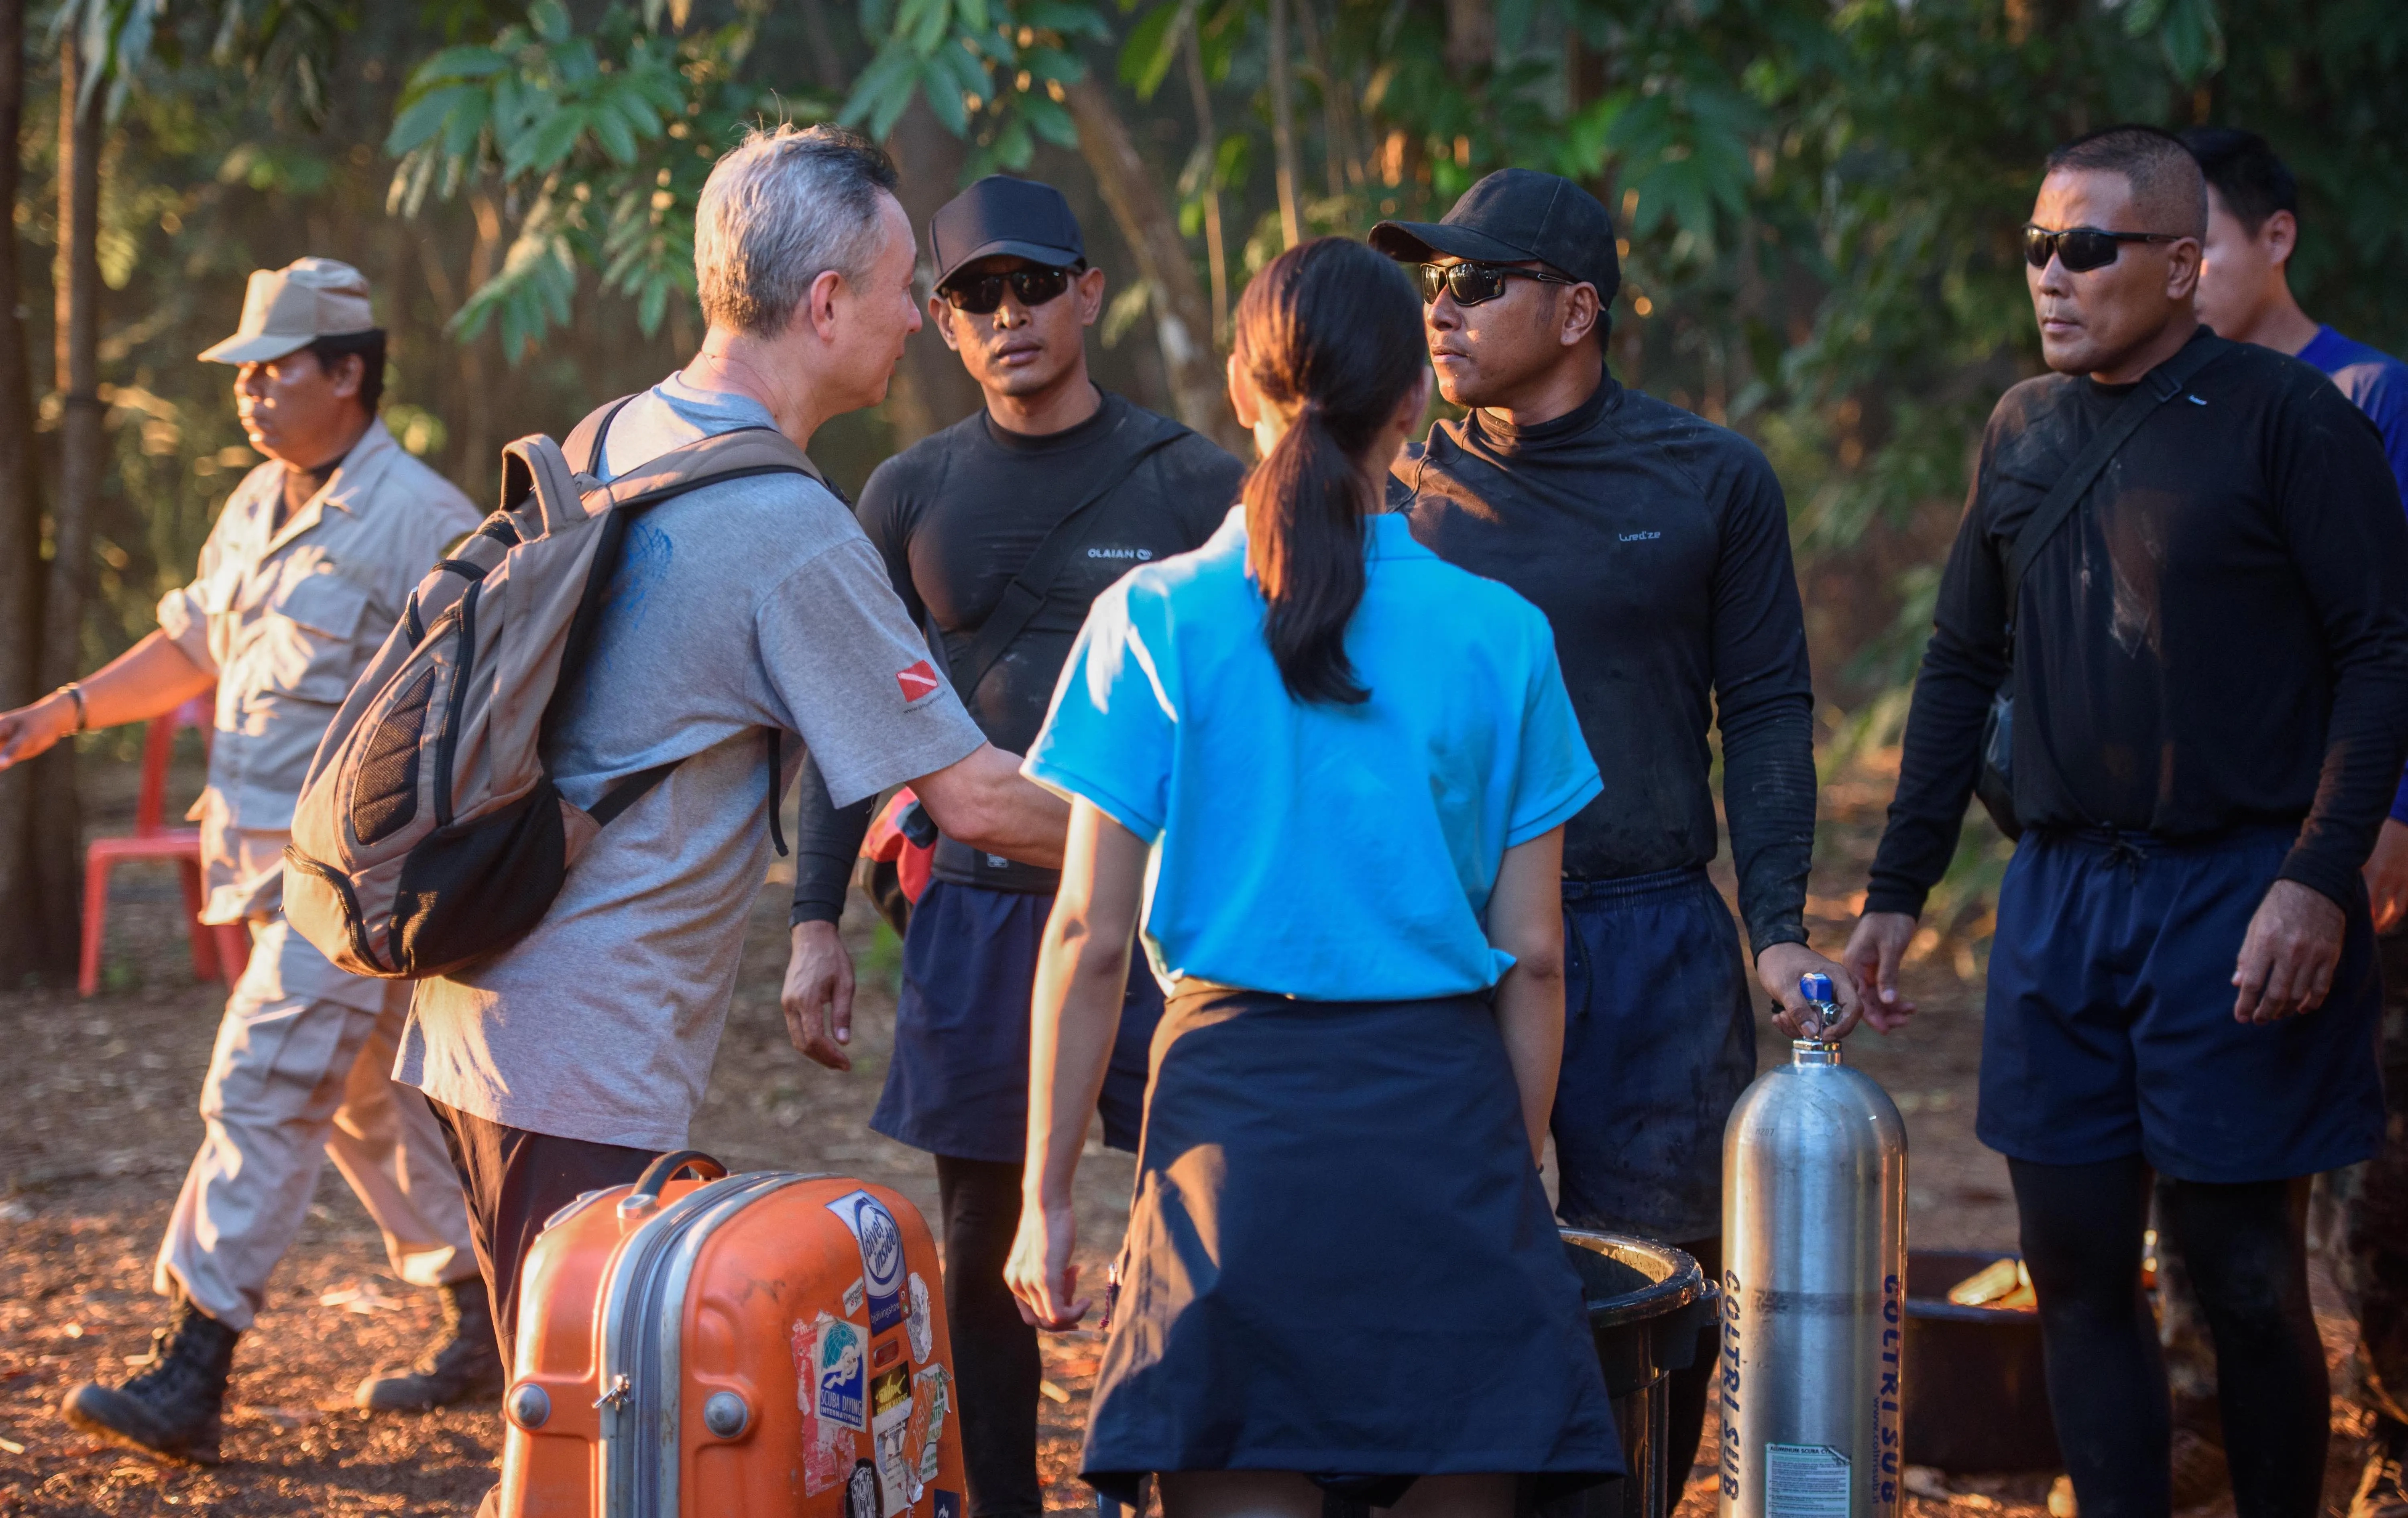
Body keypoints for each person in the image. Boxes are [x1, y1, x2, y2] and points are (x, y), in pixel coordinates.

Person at [387, 128, 1069, 1516]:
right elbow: (979, 799)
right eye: (897, 289)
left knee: (577, 1424)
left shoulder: (619, 429)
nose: (915, 325)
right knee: (594, 1457)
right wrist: (1222, 840)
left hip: (482, 1008)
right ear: (823, 303)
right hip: (582, 1052)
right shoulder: (785, 526)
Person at [1005, 235, 1621, 1518]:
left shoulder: (1154, 620)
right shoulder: (1501, 637)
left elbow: (1088, 939)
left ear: (1241, 387)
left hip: (1232, 1142)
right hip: (1440, 1119)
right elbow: (1539, 952)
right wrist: (1496, 1173)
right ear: (1414, 403)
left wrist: (1046, 1196)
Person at [1842, 126, 2408, 1518]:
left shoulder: (2293, 422)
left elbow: (2383, 655)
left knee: (2241, 1272)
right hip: (2060, 898)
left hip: (2237, 891)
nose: (2050, 276)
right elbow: (1959, 666)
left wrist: (2317, 878)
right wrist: (1896, 890)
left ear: (2177, 263)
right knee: (2077, 1262)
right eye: (2035, 247)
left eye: (2084, 249)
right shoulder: (2022, 431)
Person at [1367, 166, 1858, 1500]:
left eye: (1477, 281)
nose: (1441, 310)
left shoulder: (1710, 479)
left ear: (1579, 309)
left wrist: (1776, 925)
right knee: (1451, 1272)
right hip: (1448, 947)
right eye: (1430, 283)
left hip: (1651, 941)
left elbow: (1762, 710)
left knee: (1658, 1291)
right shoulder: (1396, 480)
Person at [782, 173, 1244, 1518]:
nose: (1010, 314)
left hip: (1164, 912)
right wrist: (817, 916)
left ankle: (1177, 1480)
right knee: (986, 1241)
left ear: (1089, 293)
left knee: (1198, 1213)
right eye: (976, 294)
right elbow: (842, 712)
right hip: (979, 915)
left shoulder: (1195, 482)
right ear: (938, 317)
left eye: (1035, 284)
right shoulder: (907, 489)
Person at [0, 258, 492, 1463]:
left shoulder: (423, 518)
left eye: (277, 370)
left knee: (264, 1079)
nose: (253, 391)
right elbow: (193, 643)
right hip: (264, 867)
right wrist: (61, 712)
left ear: (348, 371)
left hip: (357, 874)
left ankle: (194, 1358)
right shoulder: (256, 502)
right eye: (247, 373)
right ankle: (481, 1317)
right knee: (368, 1103)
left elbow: (475, 710)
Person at [2183, 123, 2408, 1518]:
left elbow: (2391, 636)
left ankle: (2390, 1423)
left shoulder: (2372, 397)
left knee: (2377, 1178)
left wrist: (2386, 818)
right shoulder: (2166, 401)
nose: (2182, 271)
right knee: (2196, 1153)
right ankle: (2203, 1417)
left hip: (2353, 838)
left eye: (2200, 240)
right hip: (2209, 855)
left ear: (2275, 238)